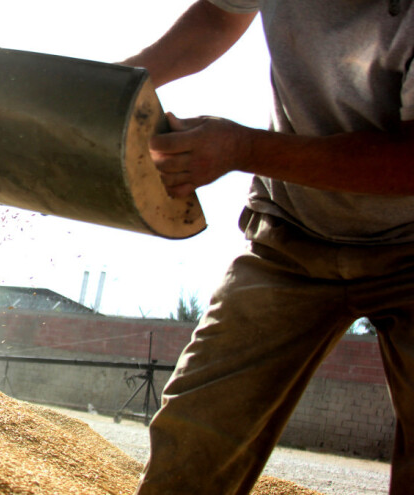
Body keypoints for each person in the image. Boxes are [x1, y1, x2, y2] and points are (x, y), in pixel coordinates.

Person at [120, 1, 414, 493]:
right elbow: (218, 17)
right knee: (196, 432)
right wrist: (116, 85)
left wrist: (242, 149)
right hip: (291, 235)